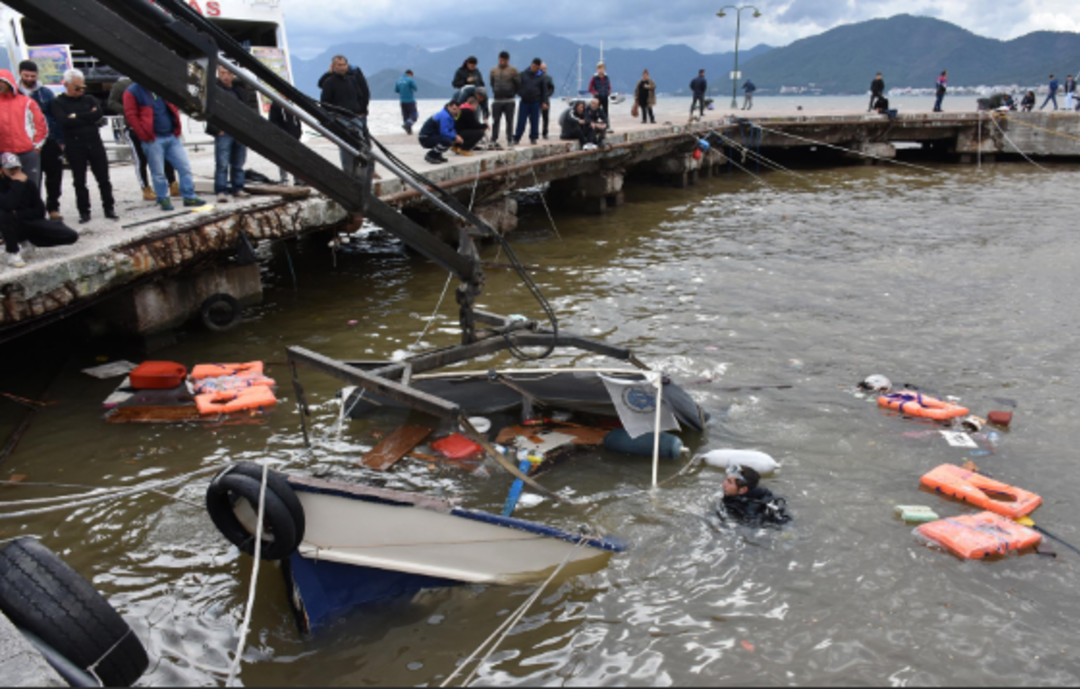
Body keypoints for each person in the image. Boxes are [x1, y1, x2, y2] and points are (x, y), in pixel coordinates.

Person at [123, 81, 205, 211]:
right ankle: (163, 198)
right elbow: (131, 115)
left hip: (171, 135)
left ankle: (189, 196)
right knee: (158, 172)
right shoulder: (132, 92)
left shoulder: (161, 86)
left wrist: (176, 129)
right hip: (153, 138)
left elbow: (173, 105)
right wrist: (144, 135)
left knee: (184, 167)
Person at [52, 69, 116, 223]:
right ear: (66, 85)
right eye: (76, 87)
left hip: (94, 142)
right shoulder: (58, 102)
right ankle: (84, 211)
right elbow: (65, 121)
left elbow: (98, 114)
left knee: (103, 178)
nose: (81, 91)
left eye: (82, 87)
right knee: (79, 180)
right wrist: (86, 117)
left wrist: (76, 116)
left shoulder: (89, 99)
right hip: (75, 144)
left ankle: (109, 207)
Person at [0, 153, 77, 269]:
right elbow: (8, 204)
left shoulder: (28, 184)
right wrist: (17, 184)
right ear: (2, 170)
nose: (14, 171)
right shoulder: (10, 184)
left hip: (27, 220)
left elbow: (40, 210)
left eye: (16, 168)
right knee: (5, 214)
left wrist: (19, 214)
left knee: (70, 235)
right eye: (10, 169)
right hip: (9, 224)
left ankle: (29, 240)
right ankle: (13, 252)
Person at [109, 76, 177, 202]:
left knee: (164, 156)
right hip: (134, 128)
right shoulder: (122, 84)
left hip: (153, 126)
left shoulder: (150, 82)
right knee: (141, 159)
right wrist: (130, 111)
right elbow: (111, 102)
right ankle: (145, 187)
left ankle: (172, 183)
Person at [17, 61, 63, 221]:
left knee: (54, 176)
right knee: (30, 178)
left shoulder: (46, 93)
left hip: (48, 139)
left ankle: (53, 207)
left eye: (33, 76)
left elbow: (55, 116)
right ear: (20, 74)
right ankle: (34, 209)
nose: (30, 79)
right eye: (26, 76)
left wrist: (59, 140)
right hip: (25, 143)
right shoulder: (14, 93)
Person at [207, 66, 256, 204]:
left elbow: (246, 110)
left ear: (233, 74)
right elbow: (209, 111)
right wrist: (216, 129)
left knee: (238, 163)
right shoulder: (214, 90)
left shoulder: (239, 91)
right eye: (222, 73)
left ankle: (237, 188)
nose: (225, 76)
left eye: (228, 73)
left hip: (238, 131)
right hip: (224, 131)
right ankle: (221, 191)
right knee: (222, 164)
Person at [318, 55, 371, 173]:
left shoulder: (353, 79)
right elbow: (324, 103)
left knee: (362, 144)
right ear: (334, 66)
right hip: (340, 119)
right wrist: (333, 116)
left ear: (347, 65)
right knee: (346, 146)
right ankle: (348, 172)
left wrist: (362, 110)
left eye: (344, 65)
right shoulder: (329, 82)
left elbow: (362, 94)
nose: (342, 68)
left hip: (356, 117)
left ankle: (361, 170)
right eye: (339, 65)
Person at [0, 69, 47, 194]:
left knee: (31, 188)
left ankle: (33, 212)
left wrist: (36, 146)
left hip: (27, 152)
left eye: (2, 81)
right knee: (5, 191)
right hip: (2, 153)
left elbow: (41, 124)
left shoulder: (27, 102)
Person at [718, 465, 791, 526]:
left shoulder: (736, 507)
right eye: (726, 480)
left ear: (743, 490)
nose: (724, 484)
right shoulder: (764, 493)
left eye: (729, 482)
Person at [489, 51, 521, 150]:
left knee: (509, 121)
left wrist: (512, 93)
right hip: (497, 99)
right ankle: (493, 139)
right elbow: (492, 83)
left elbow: (518, 84)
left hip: (509, 100)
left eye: (504, 60)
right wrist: (495, 91)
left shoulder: (513, 70)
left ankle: (510, 139)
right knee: (495, 121)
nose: (502, 61)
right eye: (500, 60)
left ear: (507, 60)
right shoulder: (493, 70)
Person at [514, 58, 548, 146]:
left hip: (536, 102)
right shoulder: (523, 74)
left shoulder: (542, 77)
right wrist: (521, 94)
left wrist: (544, 102)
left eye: (537, 67)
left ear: (539, 67)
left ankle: (533, 137)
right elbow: (517, 86)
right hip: (524, 101)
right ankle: (517, 138)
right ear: (531, 65)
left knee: (535, 121)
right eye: (533, 66)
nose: (535, 68)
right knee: (521, 121)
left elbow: (544, 91)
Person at [269, 101, 303, 185]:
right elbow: (273, 121)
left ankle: (298, 179)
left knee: (296, 158)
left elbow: (297, 119)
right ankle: (284, 179)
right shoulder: (276, 105)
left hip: (294, 135)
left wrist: (298, 131)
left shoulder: (292, 104)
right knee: (283, 157)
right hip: (283, 135)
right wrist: (280, 133)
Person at [452, 57, 488, 122]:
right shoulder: (460, 71)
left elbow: (482, 84)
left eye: (474, 65)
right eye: (471, 65)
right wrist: (466, 81)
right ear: (467, 63)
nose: (472, 66)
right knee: (460, 114)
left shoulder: (477, 72)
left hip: (475, 97)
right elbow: (455, 84)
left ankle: (475, 126)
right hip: (462, 95)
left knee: (475, 115)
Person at [589, 62, 612, 130]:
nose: (601, 70)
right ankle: (593, 125)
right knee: (595, 112)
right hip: (597, 98)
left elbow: (609, 86)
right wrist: (595, 93)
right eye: (599, 68)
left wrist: (609, 91)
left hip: (605, 96)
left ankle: (607, 126)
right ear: (597, 69)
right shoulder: (594, 78)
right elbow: (590, 88)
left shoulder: (606, 77)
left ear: (604, 69)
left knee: (605, 112)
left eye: (602, 68)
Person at [395, 69, 419, 135]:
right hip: (410, 100)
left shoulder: (398, 80)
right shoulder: (410, 80)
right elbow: (415, 88)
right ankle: (407, 125)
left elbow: (396, 90)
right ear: (410, 74)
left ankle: (409, 131)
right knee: (414, 115)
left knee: (406, 116)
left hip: (402, 101)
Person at [539, 62, 555, 140]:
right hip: (537, 100)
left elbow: (552, 88)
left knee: (545, 118)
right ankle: (534, 132)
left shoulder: (548, 77)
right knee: (535, 117)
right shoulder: (536, 77)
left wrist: (547, 95)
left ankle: (545, 133)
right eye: (542, 68)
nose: (543, 70)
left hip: (546, 100)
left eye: (544, 68)